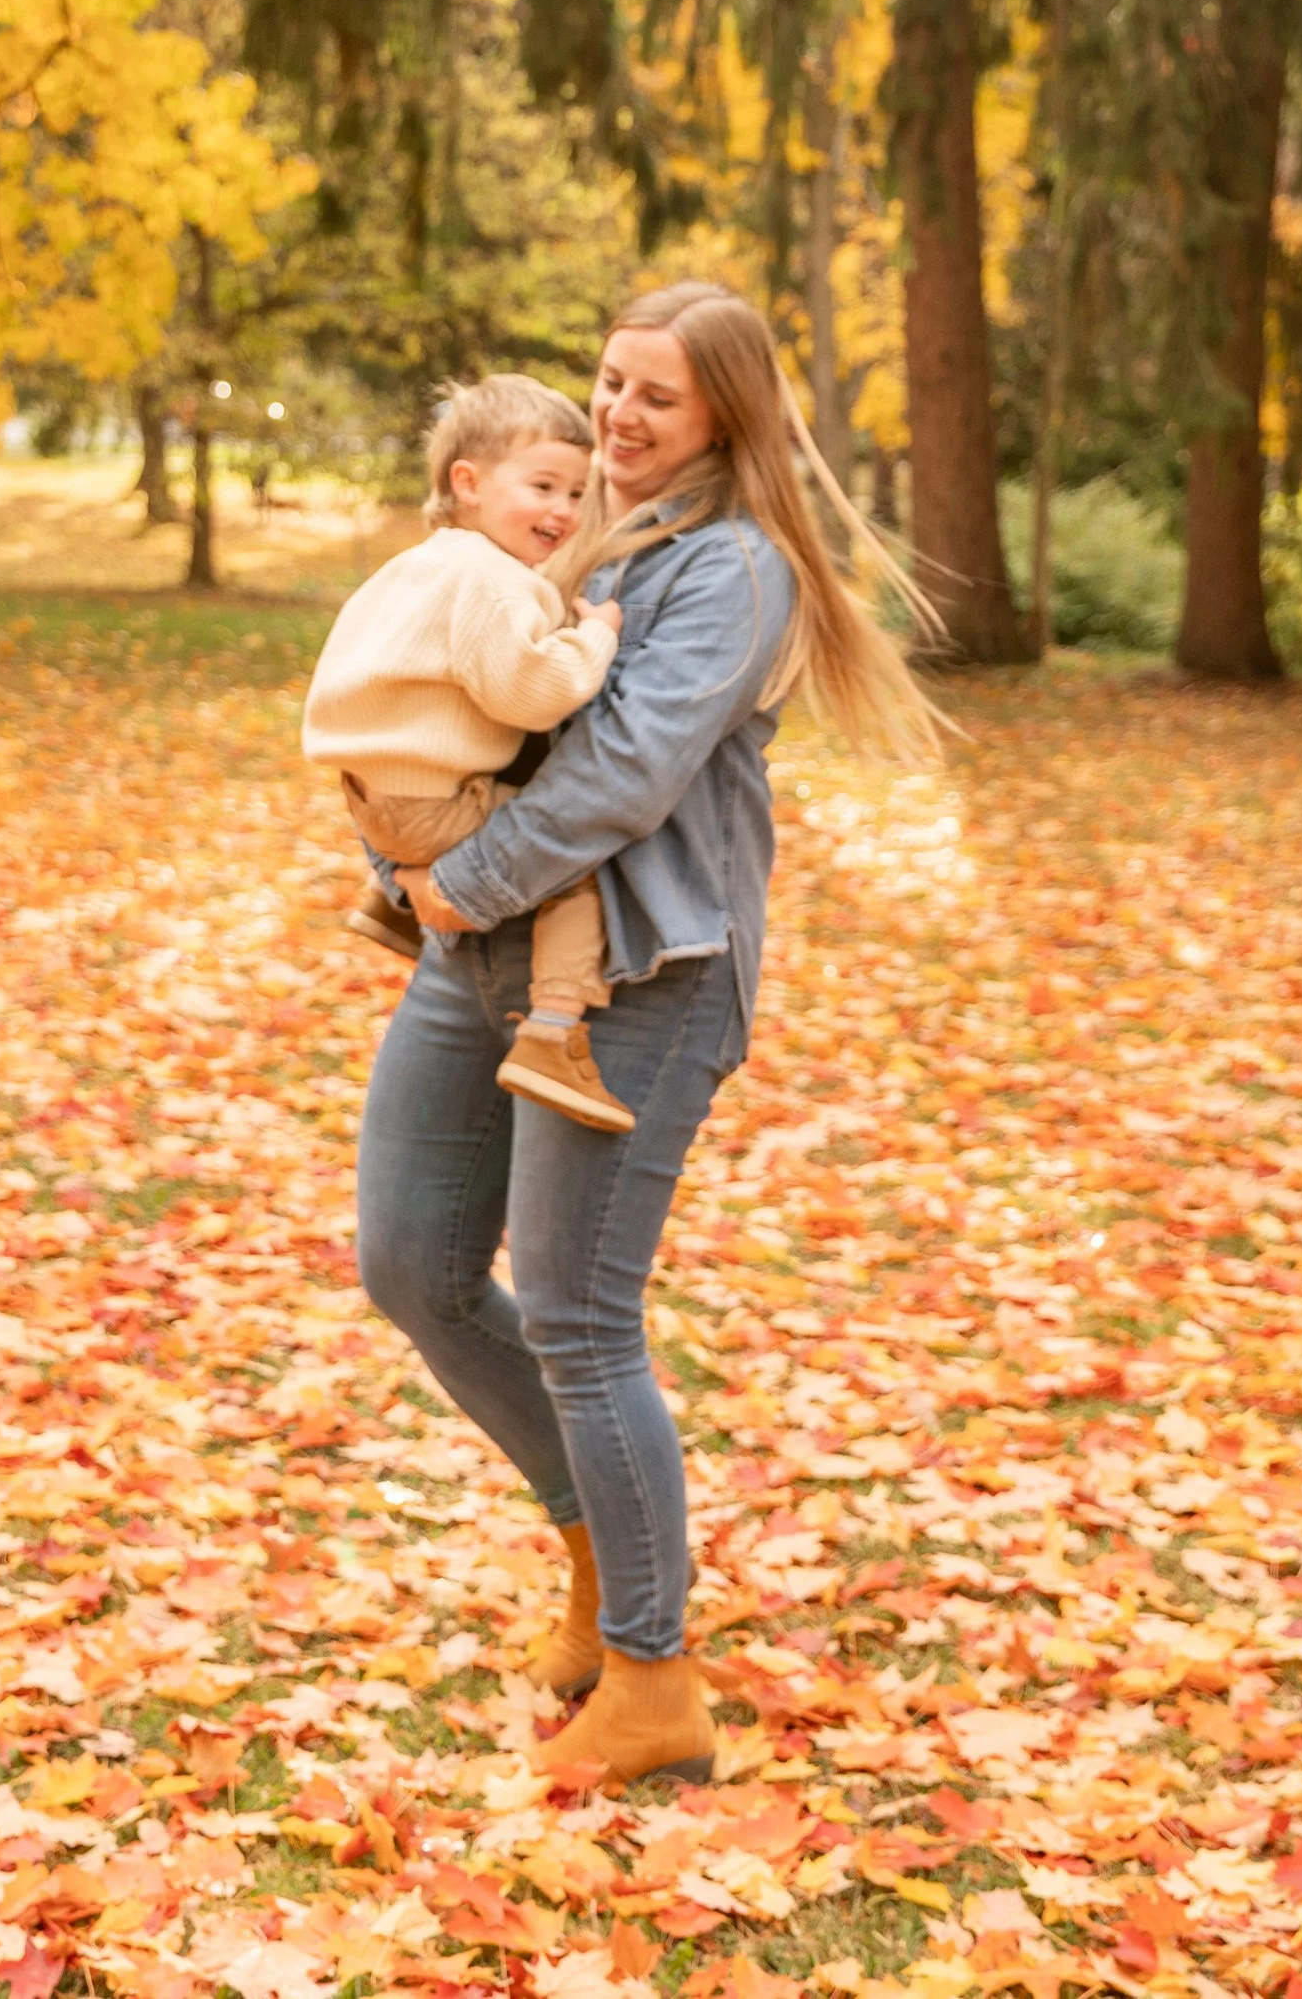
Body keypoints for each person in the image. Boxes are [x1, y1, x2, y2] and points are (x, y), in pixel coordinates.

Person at [354, 277, 939, 1787]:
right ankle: (596, 1556)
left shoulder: (736, 572)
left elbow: (618, 775)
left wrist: (458, 887)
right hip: (485, 947)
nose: (616, 414)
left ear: (722, 418)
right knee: (410, 1260)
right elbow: (463, 709)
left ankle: (654, 1670)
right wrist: (397, 852)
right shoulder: (576, 527)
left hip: (643, 975)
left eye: (655, 397)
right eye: (610, 382)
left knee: (575, 1306)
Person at [303, 377, 633, 1134]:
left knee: (479, 773)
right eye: (543, 486)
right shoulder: (492, 582)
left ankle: (395, 900)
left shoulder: (423, 564)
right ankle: (553, 1029)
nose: (563, 511)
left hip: (373, 794)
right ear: (469, 482)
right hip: (433, 809)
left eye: (578, 494)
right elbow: (533, 694)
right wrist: (597, 636)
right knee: (574, 860)